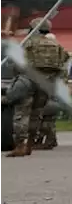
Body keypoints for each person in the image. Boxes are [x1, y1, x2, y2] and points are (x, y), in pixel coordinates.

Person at [6, 17, 68, 157]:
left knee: (21, 114)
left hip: (28, 81)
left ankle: (20, 145)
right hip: (46, 83)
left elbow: (16, 63)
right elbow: (63, 62)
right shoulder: (56, 45)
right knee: (36, 114)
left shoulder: (27, 43)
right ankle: (30, 145)